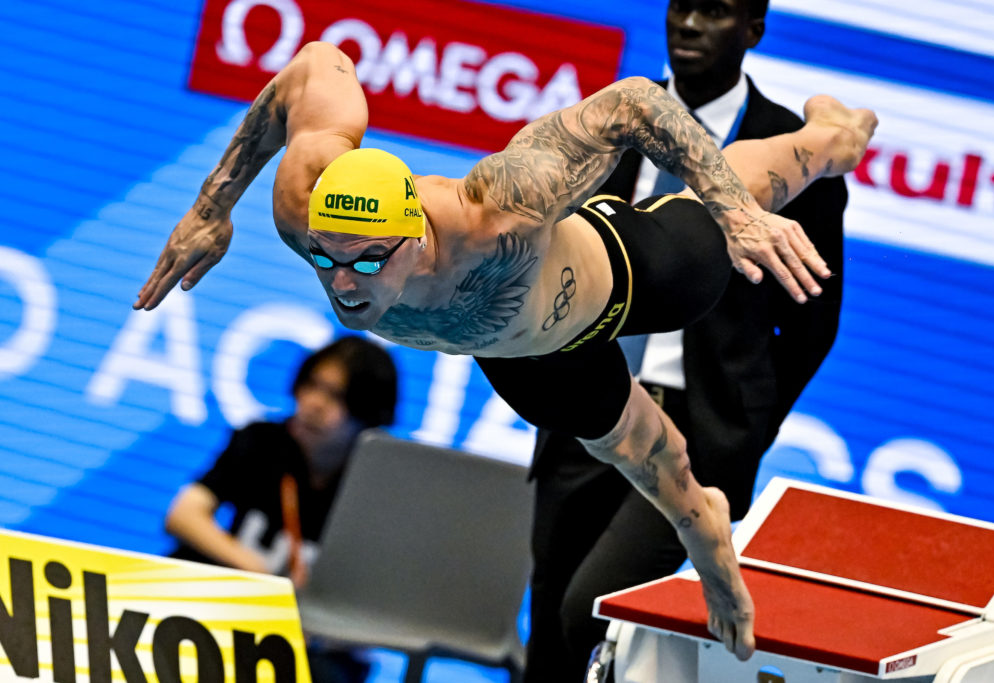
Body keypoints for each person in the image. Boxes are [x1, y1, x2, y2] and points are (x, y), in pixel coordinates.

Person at [136, 40, 876, 661]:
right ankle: (703, 519)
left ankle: (828, 137)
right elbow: (314, 67)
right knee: (646, 454)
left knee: (725, 207)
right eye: (326, 258)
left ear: (415, 235)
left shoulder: (498, 210)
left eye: (368, 262)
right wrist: (210, 209)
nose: (344, 284)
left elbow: (632, 105)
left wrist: (735, 211)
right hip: (525, 357)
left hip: (624, 276)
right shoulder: (305, 201)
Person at [526, 0, 850, 678]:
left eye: (717, 9)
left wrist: (746, 421)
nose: (690, 23)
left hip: (703, 438)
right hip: (591, 410)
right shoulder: (609, 123)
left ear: (754, 30)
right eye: (680, 5)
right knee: (551, 629)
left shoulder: (786, 146)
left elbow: (812, 319)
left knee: (593, 613)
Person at [165, 335, 397, 683]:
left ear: (367, 415)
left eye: (335, 396)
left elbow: (384, 607)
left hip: (315, 645)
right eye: (311, 385)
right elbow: (183, 515)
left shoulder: (382, 485)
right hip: (234, 611)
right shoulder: (262, 441)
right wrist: (257, 573)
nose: (314, 403)